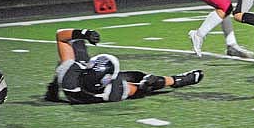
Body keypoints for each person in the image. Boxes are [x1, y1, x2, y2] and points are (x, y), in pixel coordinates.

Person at [45, 28, 203, 104]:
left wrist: (84, 33)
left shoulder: (68, 75)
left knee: (75, 45)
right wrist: (148, 83)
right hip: (88, 92)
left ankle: (52, 89)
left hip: (72, 86)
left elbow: (60, 36)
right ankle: (177, 80)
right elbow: (139, 88)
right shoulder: (111, 92)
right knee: (145, 80)